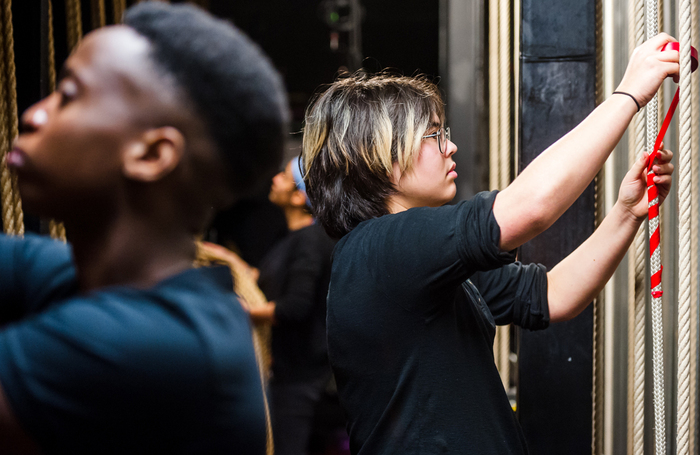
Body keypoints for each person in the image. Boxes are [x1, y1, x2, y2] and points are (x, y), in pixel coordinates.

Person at [301, 34, 678, 454]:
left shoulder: (424, 267)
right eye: (433, 135)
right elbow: (530, 207)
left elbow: (552, 295)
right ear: (378, 156)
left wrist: (626, 213)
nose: (451, 146)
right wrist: (628, 95)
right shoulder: (377, 250)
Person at [0, 3, 288, 454]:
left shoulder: (163, 345)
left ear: (151, 155)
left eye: (69, 96)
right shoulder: (95, 278)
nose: (34, 115)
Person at [248, 157, 336, 455]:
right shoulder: (291, 239)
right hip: (288, 374)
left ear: (299, 196)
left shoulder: (310, 241)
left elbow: (294, 308)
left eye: (284, 177)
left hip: (300, 378)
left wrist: (242, 313)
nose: (275, 180)